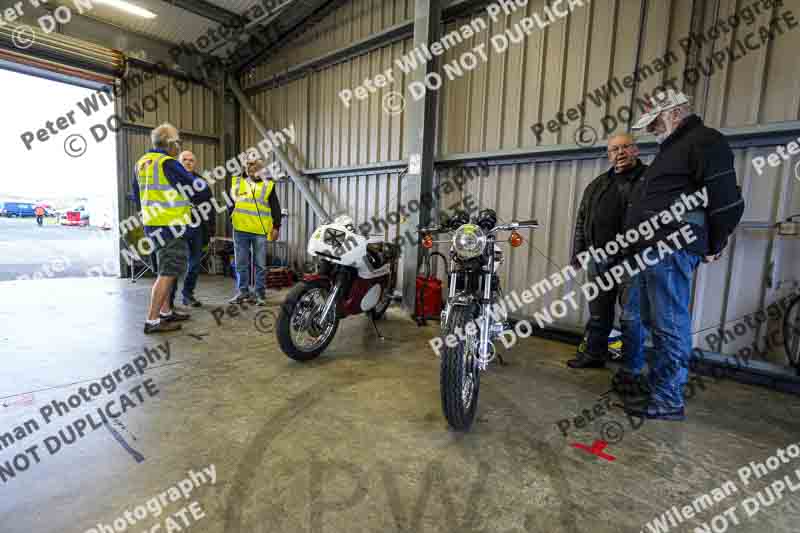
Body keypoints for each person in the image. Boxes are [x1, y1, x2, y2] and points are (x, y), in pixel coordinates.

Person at [622, 89, 744, 420]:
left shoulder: (705, 141)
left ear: (675, 113)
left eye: (655, 121)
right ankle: (658, 388)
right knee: (652, 321)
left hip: (670, 247)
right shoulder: (673, 148)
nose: (651, 128)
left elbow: (727, 201)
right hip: (651, 249)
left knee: (669, 324)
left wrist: (715, 244)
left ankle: (667, 400)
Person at [567, 134, 647, 386]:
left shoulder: (650, 181)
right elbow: (582, 220)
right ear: (609, 155)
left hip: (634, 261)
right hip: (598, 258)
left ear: (636, 150)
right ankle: (594, 354)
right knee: (598, 313)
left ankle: (631, 371)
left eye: (625, 147)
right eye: (614, 149)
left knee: (631, 318)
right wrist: (578, 253)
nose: (620, 153)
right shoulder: (597, 184)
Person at [132, 123, 200, 334]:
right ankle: (152, 320)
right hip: (170, 225)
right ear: (170, 143)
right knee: (168, 272)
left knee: (166, 270)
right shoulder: (168, 163)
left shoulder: (141, 163)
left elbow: (137, 195)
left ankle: (165, 312)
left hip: (153, 223)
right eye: (177, 141)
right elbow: (193, 185)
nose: (179, 145)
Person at [229, 158, 281, 306]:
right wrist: (231, 217)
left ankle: (260, 294)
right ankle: (242, 292)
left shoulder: (268, 185)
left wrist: (276, 227)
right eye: (250, 170)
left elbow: (275, 207)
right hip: (240, 229)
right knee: (241, 263)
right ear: (246, 170)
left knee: (260, 265)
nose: (253, 172)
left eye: (256, 170)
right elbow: (230, 203)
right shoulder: (238, 183)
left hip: (259, 230)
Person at [167, 150, 214, 307]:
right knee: (175, 264)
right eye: (184, 159)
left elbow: (210, 205)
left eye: (191, 160)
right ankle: (169, 300)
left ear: (195, 163)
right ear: (179, 162)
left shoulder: (201, 182)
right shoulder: (171, 181)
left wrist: (211, 229)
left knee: (194, 264)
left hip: (197, 227)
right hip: (177, 228)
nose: (188, 162)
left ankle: (188, 295)